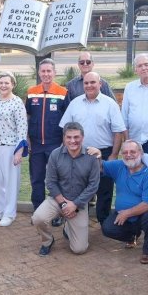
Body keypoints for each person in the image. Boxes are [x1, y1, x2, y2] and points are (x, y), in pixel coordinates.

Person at [60, 71, 126, 225]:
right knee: (77, 188)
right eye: (86, 83)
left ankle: (103, 222)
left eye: (93, 82)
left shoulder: (110, 104)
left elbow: (117, 132)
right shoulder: (75, 103)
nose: (89, 85)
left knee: (104, 190)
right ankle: (75, 221)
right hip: (78, 153)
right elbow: (66, 129)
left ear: (100, 84)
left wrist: (113, 155)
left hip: (103, 153)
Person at [31, 122, 100, 256]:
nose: (72, 141)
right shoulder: (55, 155)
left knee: (79, 249)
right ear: (64, 138)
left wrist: (74, 204)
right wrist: (64, 204)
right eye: (69, 137)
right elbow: (50, 182)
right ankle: (47, 241)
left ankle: (68, 228)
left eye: (76, 137)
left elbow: (93, 186)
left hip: (79, 203)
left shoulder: (91, 157)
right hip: (57, 199)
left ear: (82, 137)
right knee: (38, 218)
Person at [99, 140, 148, 264]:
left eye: (132, 152)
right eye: (125, 152)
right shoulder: (119, 165)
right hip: (124, 214)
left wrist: (127, 213)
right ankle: (132, 236)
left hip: (143, 213)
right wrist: (97, 156)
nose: (128, 155)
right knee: (107, 228)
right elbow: (99, 167)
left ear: (141, 153)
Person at [25, 58, 69, 225]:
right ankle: (38, 213)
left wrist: (64, 142)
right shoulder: (32, 91)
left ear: (54, 72)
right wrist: (28, 138)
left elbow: (67, 120)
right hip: (36, 145)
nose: (46, 74)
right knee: (36, 179)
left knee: (56, 180)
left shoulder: (62, 92)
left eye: (49, 71)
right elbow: (28, 116)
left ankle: (57, 213)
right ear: (39, 73)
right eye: (43, 71)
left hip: (55, 144)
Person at [0, 72, 28, 227]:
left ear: (13, 85)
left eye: (7, 83)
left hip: (10, 146)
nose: (3, 85)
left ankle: (10, 213)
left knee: (11, 181)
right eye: (1, 83)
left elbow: (22, 128)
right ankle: (0, 209)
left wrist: (19, 150)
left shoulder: (17, 102)